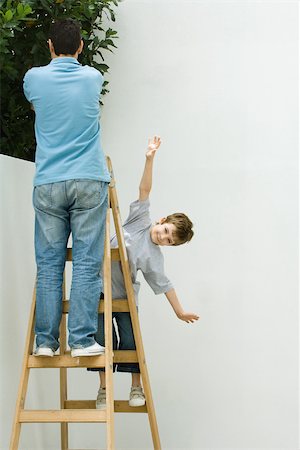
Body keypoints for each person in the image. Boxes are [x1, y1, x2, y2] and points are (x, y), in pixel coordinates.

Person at [88, 136, 199, 409]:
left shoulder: (154, 256)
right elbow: (144, 189)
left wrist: (179, 311)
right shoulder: (140, 220)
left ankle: (135, 388)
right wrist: (149, 159)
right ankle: (104, 390)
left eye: (169, 241)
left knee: (130, 342)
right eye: (165, 232)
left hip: (125, 297)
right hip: (101, 291)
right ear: (161, 221)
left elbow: (164, 284)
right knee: (103, 341)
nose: (163, 238)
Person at [23, 19, 111, 358]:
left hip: (48, 180)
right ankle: (82, 340)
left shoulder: (33, 78)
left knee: (48, 264)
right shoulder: (92, 78)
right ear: (81, 47)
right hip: (88, 178)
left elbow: (38, 106)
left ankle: (45, 341)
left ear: (49, 46)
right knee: (87, 263)